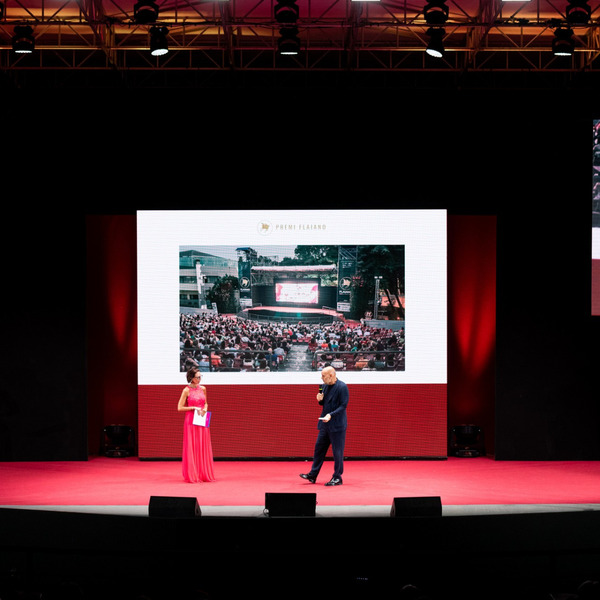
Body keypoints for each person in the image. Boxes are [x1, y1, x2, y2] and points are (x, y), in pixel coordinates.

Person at [299, 365, 349, 486]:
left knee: (337, 452)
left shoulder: (342, 387)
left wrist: (331, 415)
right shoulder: (324, 386)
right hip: (325, 424)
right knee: (319, 449)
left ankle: (337, 477)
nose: (321, 378)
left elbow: (343, 406)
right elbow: (324, 403)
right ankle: (313, 474)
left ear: (331, 375)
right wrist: (320, 400)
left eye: (323, 376)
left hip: (337, 425)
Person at [178, 367, 215, 483]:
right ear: (191, 378)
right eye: (197, 377)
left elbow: (206, 403)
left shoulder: (203, 388)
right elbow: (179, 407)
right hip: (191, 420)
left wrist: (205, 409)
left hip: (202, 418)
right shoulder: (186, 390)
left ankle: (203, 473)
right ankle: (193, 474)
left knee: (202, 445)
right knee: (192, 446)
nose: (199, 379)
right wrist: (193, 408)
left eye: (200, 377)